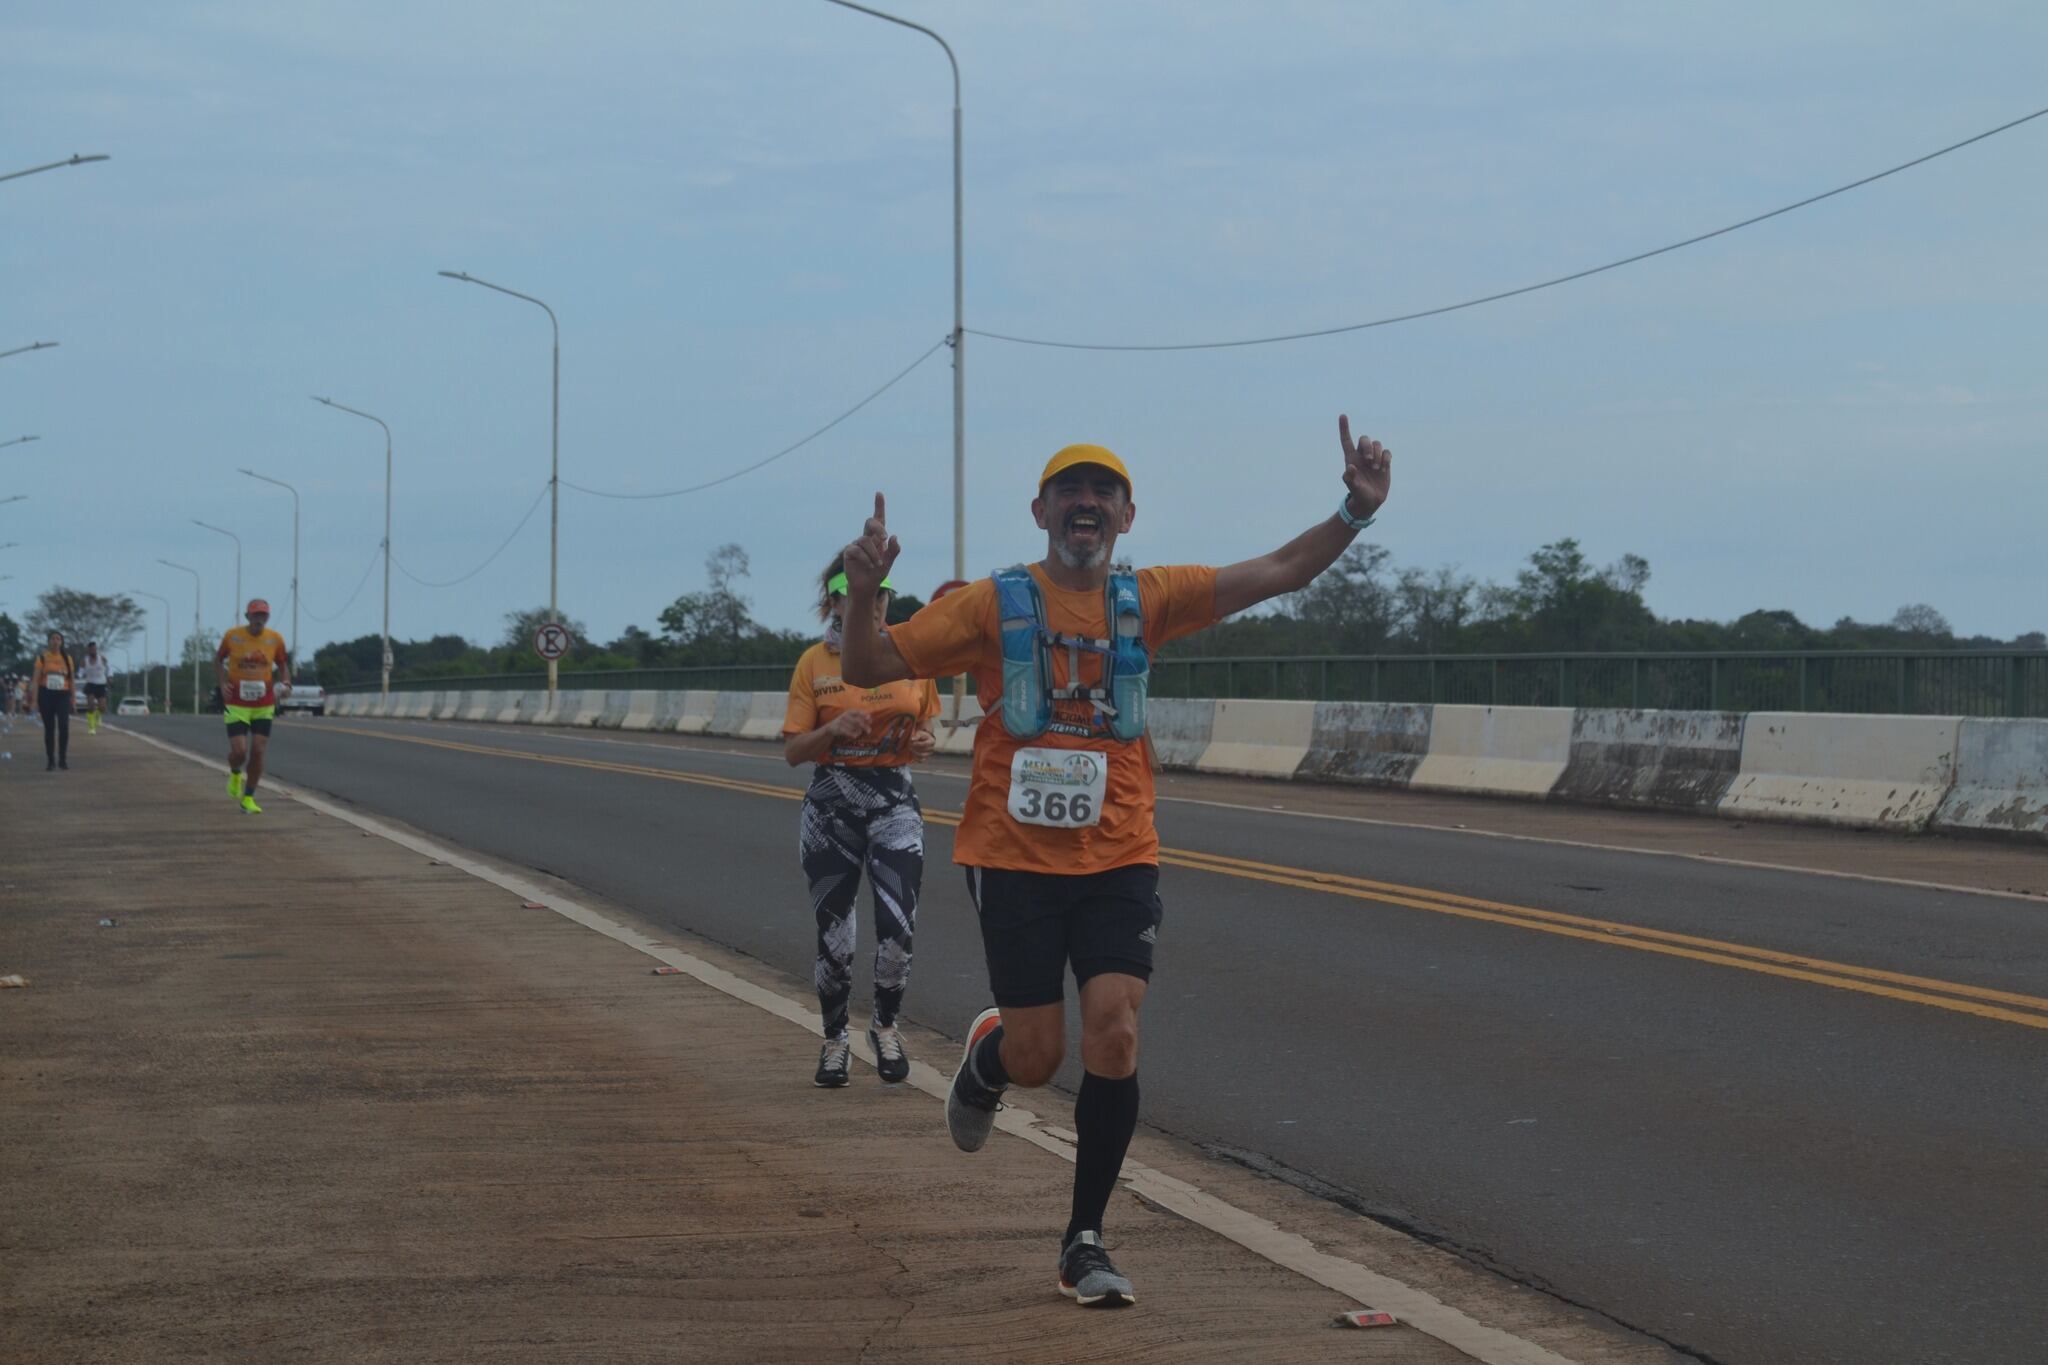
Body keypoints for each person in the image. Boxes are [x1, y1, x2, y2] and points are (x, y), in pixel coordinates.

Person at [836, 417, 1393, 1307]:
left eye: (1103, 493)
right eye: (1070, 491)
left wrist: (1352, 514)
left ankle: (1083, 1240)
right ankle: (991, 1060)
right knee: (1036, 1053)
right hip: (1013, 856)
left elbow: (1280, 570)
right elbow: (867, 662)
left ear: (1128, 516)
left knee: (1115, 1032)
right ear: (1041, 510)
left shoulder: (1154, 596)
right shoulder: (991, 603)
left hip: (1120, 850)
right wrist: (861, 591)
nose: (1085, 504)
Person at [782, 557, 941, 1088]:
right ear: (834, 600)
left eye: (881, 595)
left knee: (899, 928)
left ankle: (886, 1027)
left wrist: (924, 743)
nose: (873, 605)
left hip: (894, 802)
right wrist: (832, 733)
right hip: (831, 807)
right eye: (859, 594)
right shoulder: (814, 663)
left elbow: (926, 731)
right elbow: (793, 751)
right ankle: (834, 1041)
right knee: (838, 936)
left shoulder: (909, 655)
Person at [214, 599, 291, 814]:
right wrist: (222, 684)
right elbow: (218, 660)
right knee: (239, 752)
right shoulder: (233, 636)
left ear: (267, 618)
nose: (259, 619)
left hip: (263, 704)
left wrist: (286, 683)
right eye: (255, 615)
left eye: (263, 615)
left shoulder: (275, 639)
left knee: (257, 751)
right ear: (247, 617)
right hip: (236, 703)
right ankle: (235, 772)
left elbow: (283, 664)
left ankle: (248, 798)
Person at [30, 630, 78, 772]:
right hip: (46, 695)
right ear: (49, 641)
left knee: (64, 726)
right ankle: (51, 760)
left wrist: (73, 699)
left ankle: (62, 759)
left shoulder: (67, 658)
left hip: (63, 695)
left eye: (58, 639)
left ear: (61, 642)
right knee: (49, 729)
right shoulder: (42, 658)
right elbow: (35, 680)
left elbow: (72, 680)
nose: (55, 641)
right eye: (53, 638)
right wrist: (34, 700)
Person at [79, 642, 111, 735]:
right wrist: (79, 675)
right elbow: (80, 671)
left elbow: (109, 669)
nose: (93, 650)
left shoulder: (102, 658)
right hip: (90, 684)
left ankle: (98, 716)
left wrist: (110, 678)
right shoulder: (84, 660)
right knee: (91, 705)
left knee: (102, 708)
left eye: (94, 649)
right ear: (88, 650)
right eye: (91, 649)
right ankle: (91, 727)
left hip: (101, 684)